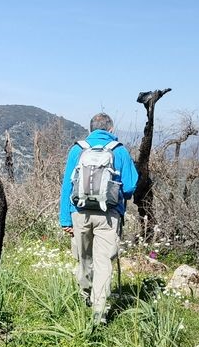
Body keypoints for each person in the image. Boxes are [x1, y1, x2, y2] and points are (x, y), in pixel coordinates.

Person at [58, 113, 139, 324]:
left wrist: (65, 220)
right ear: (111, 129)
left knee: (84, 259)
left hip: (80, 212)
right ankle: (99, 312)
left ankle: (85, 295)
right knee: (103, 262)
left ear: (91, 129)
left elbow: (67, 185)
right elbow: (130, 186)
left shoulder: (78, 149)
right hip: (109, 215)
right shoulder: (119, 150)